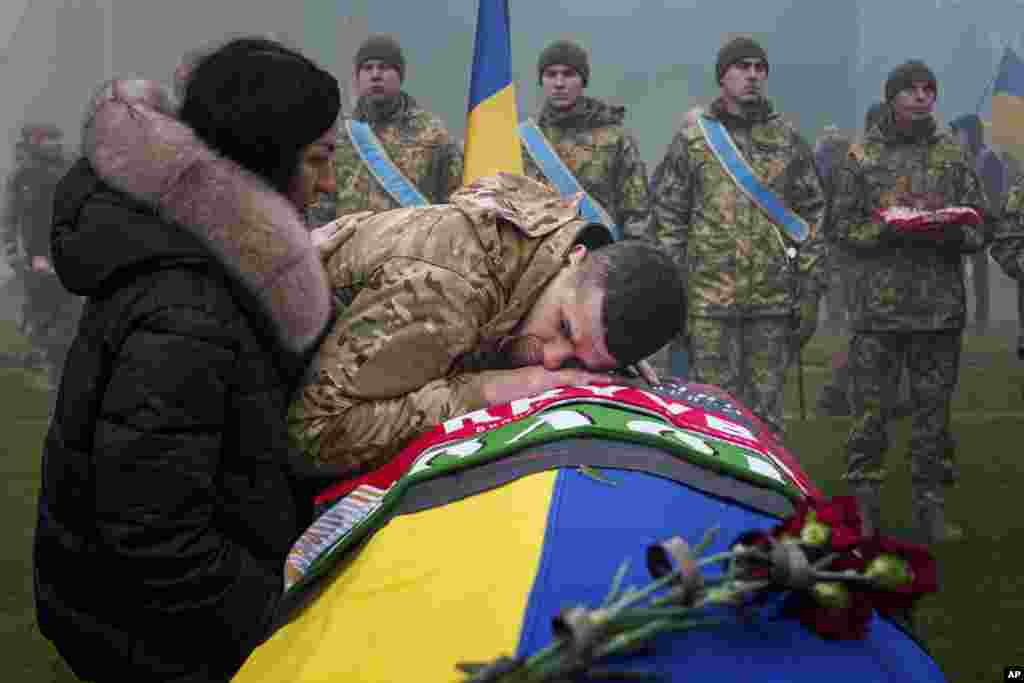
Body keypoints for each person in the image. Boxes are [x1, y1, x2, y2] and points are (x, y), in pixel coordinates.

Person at [34, 37, 340, 681]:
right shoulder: (186, 307)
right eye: (317, 161)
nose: (330, 186)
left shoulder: (227, 261)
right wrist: (290, 625)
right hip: (152, 638)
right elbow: (156, 539)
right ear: (263, 161)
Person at [288, 172, 686, 477]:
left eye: (578, 360)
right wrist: (493, 390)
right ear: (576, 256)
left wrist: (590, 365)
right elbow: (310, 436)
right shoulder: (445, 288)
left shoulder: (545, 241)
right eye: (563, 328)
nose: (550, 360)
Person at [830, 60, 991, 543]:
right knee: (871, 411)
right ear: (893, 97)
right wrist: (885, 227)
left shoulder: (952, 152)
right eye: (911, 90)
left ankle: (931, 507)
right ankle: (864, 506)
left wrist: (954, 231)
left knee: (933, 413)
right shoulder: (862, 155)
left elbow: (981, 220)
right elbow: (840, 226)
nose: (921, 98)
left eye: (929, 90)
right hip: (879, 309)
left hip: (939, 308)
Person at [649, 35, 827, 438]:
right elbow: (670, 217)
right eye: (741, 67)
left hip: (773, 302)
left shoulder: (787, 137)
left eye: (759, 68)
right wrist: (674, 291)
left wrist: (810, 285)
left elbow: (812, 212)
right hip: (709, 302)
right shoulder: (695, 140)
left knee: (768, 420)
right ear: (722, 77)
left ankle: (773, 500)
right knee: (713, 417)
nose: (752, 76)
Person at [320, 34, 463, 225]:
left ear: (400, 76)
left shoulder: (433, 135)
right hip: (351, 250)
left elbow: (454, 202)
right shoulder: (337, 136)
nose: (375, 75)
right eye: (367, 68)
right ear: (357, 77)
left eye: (384, 67)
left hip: (411, 249)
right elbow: (319, 204)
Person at [520, 39, 651, 243]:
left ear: (583, 80)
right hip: (540, 262)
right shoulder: (525, 141)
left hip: (600, 261)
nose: (559, 83)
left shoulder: (615, 138)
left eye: (569, 74)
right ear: (541, 80)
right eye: (551, 74)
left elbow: (637, 214)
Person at [1, 123, 79, 390]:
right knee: (45, 311)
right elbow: (9, 218)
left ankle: (57, 367)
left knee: (66, 312)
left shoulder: (70, 169)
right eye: (48, 139)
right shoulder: (22, 176)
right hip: (38, 255)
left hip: (67, 251)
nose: (54, 144)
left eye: (56, 138)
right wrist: (13, 254)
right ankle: (51, 364)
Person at [950, 113, 1010, 334]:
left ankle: (982, 315)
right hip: (962, 220)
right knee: (959, 268)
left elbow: (994, 194)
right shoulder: (961, 159)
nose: (957, 137)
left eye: (960, 132)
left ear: (971, 133)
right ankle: (961, 313)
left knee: (979, 268)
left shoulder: (988, 158)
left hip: (982, 221)